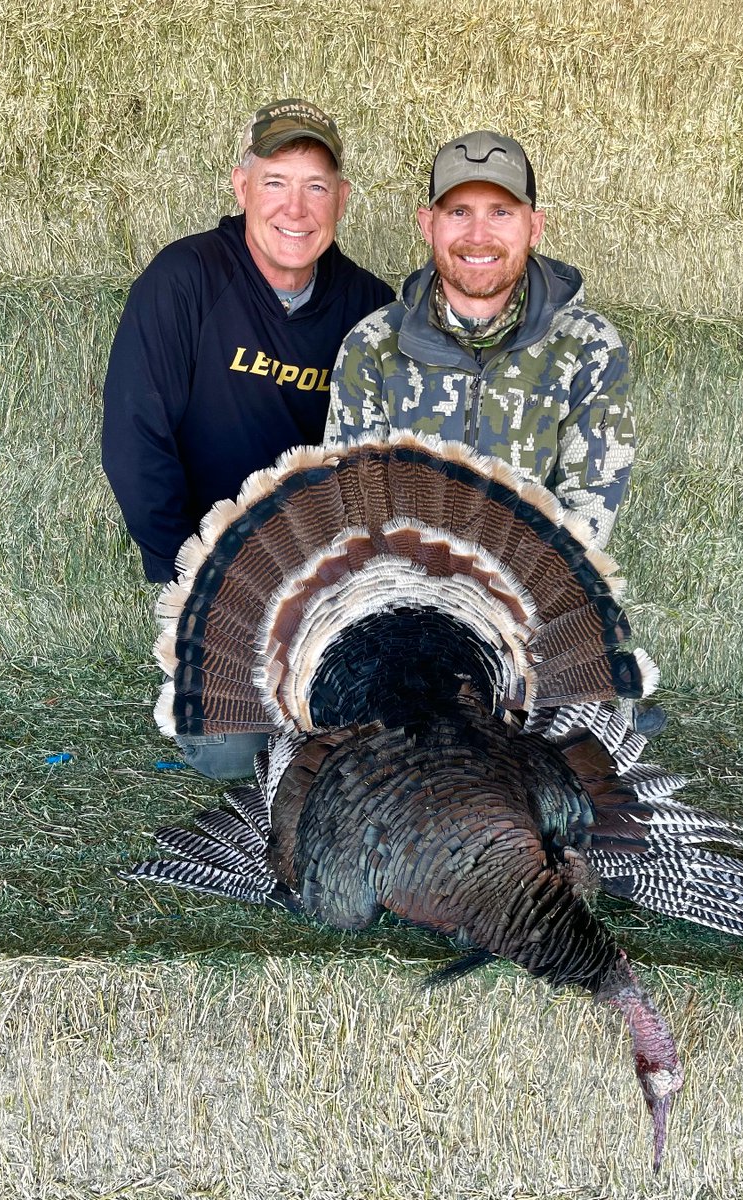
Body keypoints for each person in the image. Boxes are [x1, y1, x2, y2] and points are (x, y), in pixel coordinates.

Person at [102, 98, 394, 778]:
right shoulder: (185, 280)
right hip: (220, 580)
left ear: (342, 199)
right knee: (229, 756)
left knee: (370, 741)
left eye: (316, 186)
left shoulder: (371, 310)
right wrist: (192, 586)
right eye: (276, 182)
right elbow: (135, 443)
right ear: (241, 186)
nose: (297, 208)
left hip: (330, 583)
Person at [325, 130, 635, 549]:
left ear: (535, 227)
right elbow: (353, 509)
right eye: (458, 212)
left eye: (501, 213)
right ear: (427, 224)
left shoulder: (587, 347)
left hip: (528, 598)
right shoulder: (373, 345)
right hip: (401, 589)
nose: (477, 235)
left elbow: (583, 527)